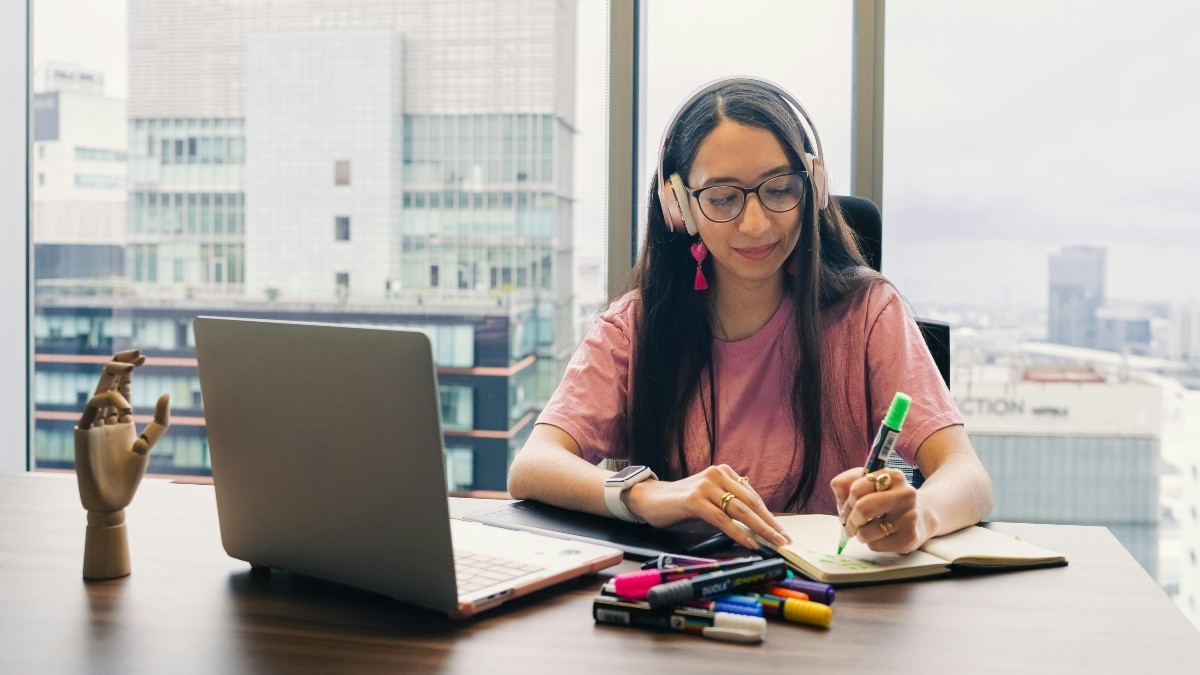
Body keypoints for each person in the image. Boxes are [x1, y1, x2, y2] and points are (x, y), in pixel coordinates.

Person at [508, 77, 992, 554]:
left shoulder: (866, 312)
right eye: (723, 198)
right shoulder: (634, 327)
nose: (756, 224)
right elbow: (534, 465)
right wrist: (649, 494)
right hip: (679, 600)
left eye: (779, 190)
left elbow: (967, 476)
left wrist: (919, 515)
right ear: (680, 207)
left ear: (814, 188)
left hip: (829, 601)